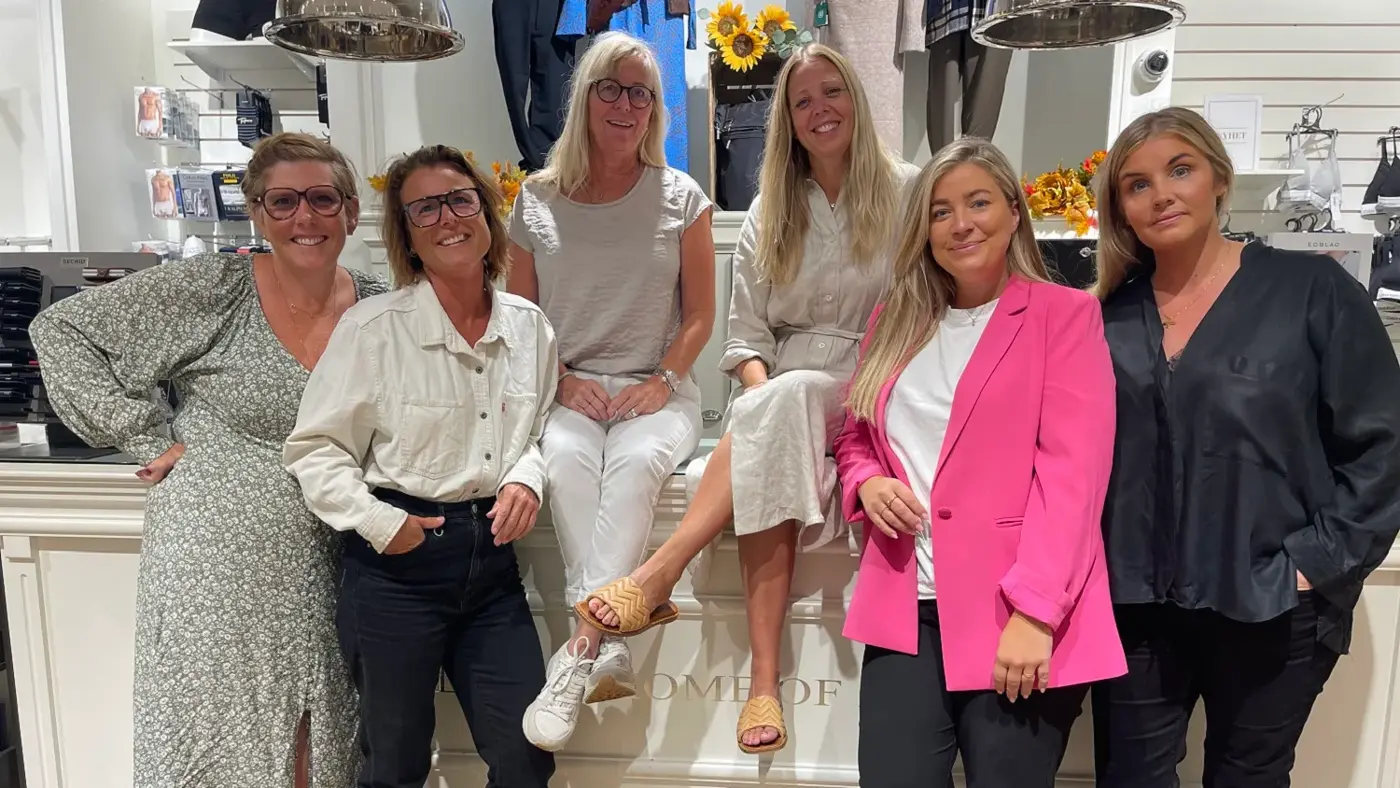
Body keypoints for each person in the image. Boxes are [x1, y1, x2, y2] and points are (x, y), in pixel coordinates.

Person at [575, 42, 918, 753]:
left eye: (831, 92)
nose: (819, 110)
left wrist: (779, 402)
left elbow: (924, 309)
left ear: (857, 98)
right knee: (778, 408)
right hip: (782, 390)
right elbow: (745, 340)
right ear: (787, 119)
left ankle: (661, 571)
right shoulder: (771, 208)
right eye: (802, 101)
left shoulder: (908, 191)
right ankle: (763, 684)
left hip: (874, 379)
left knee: (785, 402)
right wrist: (766, 403)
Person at [29, 132, 387, 788]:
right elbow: (62, 330)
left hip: (330, 557)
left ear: (350, 211)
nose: (304, 217)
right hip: (214, 561)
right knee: (221, 738)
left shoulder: (376, 305)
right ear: (256, 213)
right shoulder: (214, 289)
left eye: (322, 199)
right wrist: (142, 434)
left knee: (321, 739)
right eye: (282, 202)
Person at [1089, 107, 1400, 788]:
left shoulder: (1311, 291)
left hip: (1273, 601)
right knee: (1129, 776)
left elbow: (1383, 445)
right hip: (1135, 607)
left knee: (1246, 779)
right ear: (1121, 209)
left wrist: (1317, 563)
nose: (1161, 194)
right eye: (1137, 184)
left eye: (1180, 170)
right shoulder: (1107, 317)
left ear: (1220, 179)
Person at [832, 138, 1125, 787]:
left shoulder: (1064, 316)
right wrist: (868, 481)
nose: (960, 223)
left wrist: (1036, 612)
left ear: (1014, 211)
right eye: (940, 211)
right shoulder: (895, 318)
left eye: (978, 203)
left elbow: (1073, 479)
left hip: (1014, 610)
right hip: (906, 607)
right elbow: (855, 436)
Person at [283, 144, 558, 788]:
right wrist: (381, 524)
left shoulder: (530, 327)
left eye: (460, 200)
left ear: (486, 212)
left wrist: (526, 476)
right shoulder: (374, 330)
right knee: (395, 763)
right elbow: (315, 448)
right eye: (424, 209)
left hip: (492, 565)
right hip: (395, 571)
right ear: (406, 234)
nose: (447, 218)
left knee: (526, 755)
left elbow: (540, 428)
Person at [505, 30, 716, 751]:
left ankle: (581, 647)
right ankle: (609, 636)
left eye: (641, 94)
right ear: (585, 97)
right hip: (565, 389)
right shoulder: (537, 198)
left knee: (635, 462)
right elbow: (522, 318)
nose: (626, 106)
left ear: (655, 109)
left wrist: (663, 382)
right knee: (565, 461)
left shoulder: (681, 197)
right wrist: (561, 379)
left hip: (658, 387)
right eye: (611, 89)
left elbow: (700, 316)